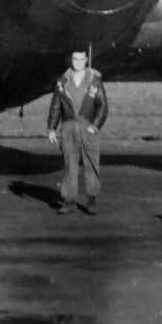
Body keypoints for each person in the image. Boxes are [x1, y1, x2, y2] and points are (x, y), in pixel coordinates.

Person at [47, 50, 108, 215]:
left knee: (91, 164)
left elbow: (103, 106)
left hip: (88, 126)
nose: (78, 62)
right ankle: (69, 201)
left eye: (81, 59)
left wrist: (94, 126)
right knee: (70, 165)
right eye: (75, 59)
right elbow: (55, 106)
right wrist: (51, 128)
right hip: (68, 127)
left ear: (86, 60)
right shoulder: (62, 81)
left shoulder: (94, 80)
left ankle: (92, 200)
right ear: (71, 60)